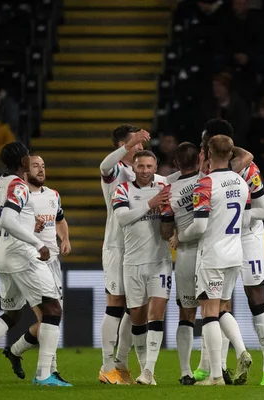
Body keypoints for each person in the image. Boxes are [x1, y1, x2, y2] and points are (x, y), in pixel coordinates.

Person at [0, 142, 70, 387]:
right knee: (53, 310)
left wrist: (10, 239)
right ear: (23, 161)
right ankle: (44, 375)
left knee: (12, 314)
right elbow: (7, 219)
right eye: (29, 157)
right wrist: (36, 243)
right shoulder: (18, 184)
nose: (32, 160)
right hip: (23, 254)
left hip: (2, 254)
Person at [198, 119, 264, 386]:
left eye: (206, 142)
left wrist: (236, 218)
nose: (203, 148)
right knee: (220, 302)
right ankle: (217, 367)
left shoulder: (248, 170)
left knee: (256, 296)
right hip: (223, 239)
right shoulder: (211, 172)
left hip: (248, 238)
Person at [179, 135, 253, 386]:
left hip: (213, 254)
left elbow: (199, 226)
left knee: (209, 313)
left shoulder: (206, 184)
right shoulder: (242, 183)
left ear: (209, 154)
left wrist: (180, 236)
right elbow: (245, 218)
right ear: (230, 154)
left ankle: (214, 376)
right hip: (235, 254)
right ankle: (241, 350)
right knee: (222, 308)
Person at [3, 154, 72, 384]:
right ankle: (48, 371)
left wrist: (65, 238)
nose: (41, 170)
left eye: (43, 166)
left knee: (50, 319)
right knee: (48, 316)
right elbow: (8, 225)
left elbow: (60, 219)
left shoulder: (53, 195)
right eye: (36, 166)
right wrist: (31, 227)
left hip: (53, 261)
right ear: (25, 170)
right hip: (31, 262)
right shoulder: (20, 196)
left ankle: (15, 351)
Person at [112, 150, 171, 385]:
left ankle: (148, 371)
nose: (145, 170)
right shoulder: (123, 189)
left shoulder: (164, 186)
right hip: (133, 263)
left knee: (156, 313)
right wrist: (150, 204)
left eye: (149, 166)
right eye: (141, 166)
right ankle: (142, 365)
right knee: (137, 317)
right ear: (133, 168)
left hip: (160, 261)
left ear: (156, 166)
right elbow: (122, 218)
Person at [98, 125, 151, 385]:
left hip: (138, 248)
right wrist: (127, 147)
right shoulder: (116, 170)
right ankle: (107, 367)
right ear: (122, 144)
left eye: (141, 144)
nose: (140, 147)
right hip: (116, 246)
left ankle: (120, 362)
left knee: (135, 306)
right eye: (135, 143)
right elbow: (103, 166)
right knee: (115, 305)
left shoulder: (135, 173)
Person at [159, 142, 202, 385]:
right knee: (216, 310)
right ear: (200, 160)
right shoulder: (210, 180)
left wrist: (175, 231)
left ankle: (186, 372)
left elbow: (165, 232)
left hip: (185, 254)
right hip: (210, 252)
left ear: (175, 164)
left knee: (187, 315)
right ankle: (214, 368)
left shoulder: (171, 191)